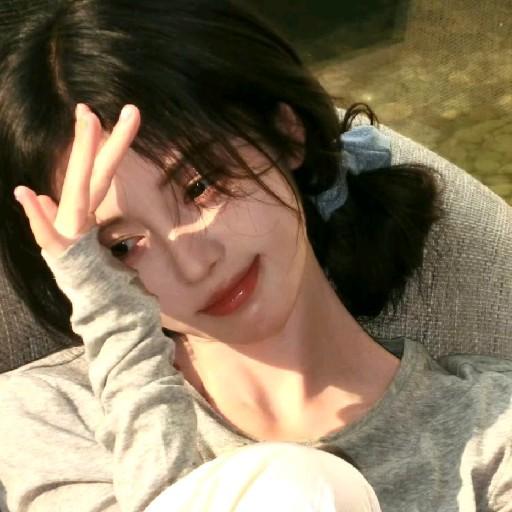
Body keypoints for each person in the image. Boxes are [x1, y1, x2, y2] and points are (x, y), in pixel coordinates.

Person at [0, 1, 510, 511]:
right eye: (121, 246)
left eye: (200, 186)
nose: (193, 265)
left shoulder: (493, 429)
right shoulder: (49, 420)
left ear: (285, 133)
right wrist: (108, 310)